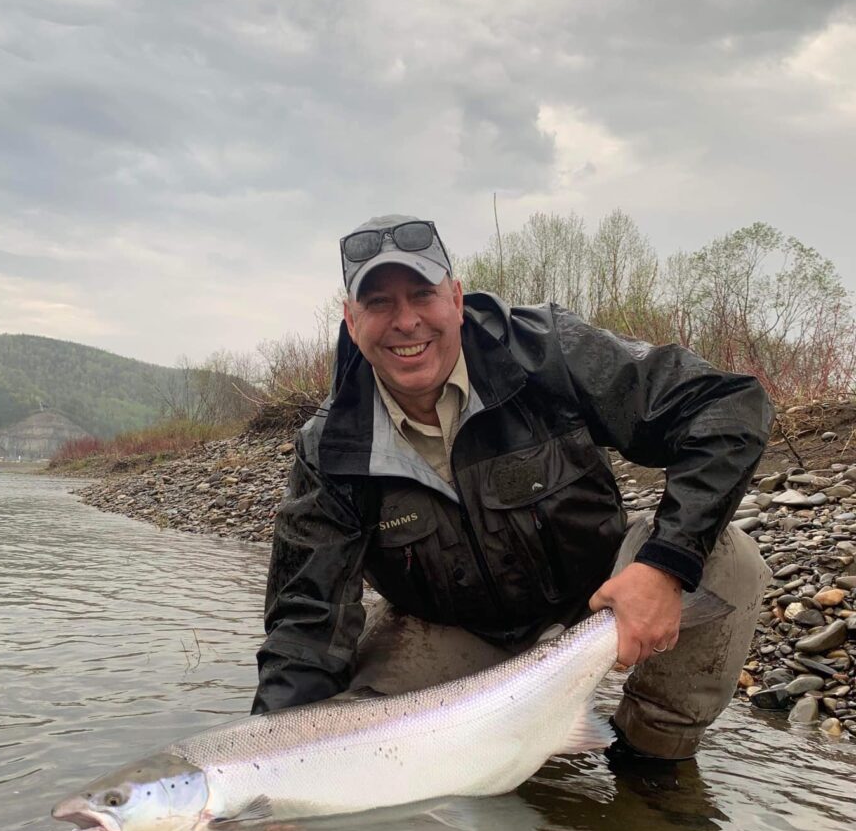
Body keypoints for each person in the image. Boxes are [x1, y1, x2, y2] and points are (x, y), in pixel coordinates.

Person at [252, 214, 773, 762]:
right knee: (363, 748)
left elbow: (727, 406)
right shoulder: (330, 446)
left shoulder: (544, 353)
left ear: (455, 298)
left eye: (423, 294)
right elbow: (306, 619)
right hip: (454, 633)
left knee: (725, 560)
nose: (406, 322)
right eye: (378, 303)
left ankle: (650, 762)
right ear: (351, 320)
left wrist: (663, 569)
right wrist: (272, 765)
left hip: (596, 604)